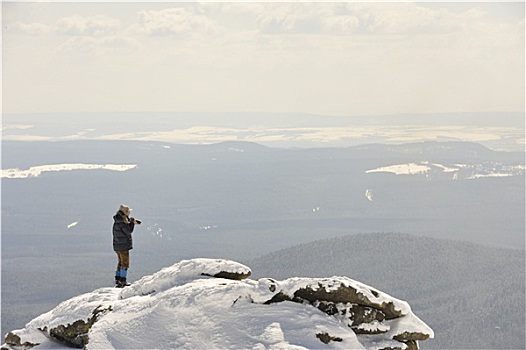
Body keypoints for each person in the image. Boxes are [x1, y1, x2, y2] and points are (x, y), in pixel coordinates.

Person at [113, 204, 141, 288]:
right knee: (125, 263)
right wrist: (132, 223)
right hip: (123, 246)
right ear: (125, 212)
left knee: (120, 262)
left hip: (117, 246)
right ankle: (123, 281)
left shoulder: (118, 221)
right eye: (128, 211)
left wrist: (130, 221)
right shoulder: (122, 222)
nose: (129, 212)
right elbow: (128, 231)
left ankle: (118, 279)